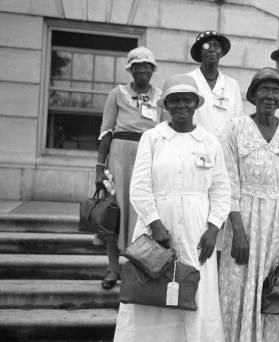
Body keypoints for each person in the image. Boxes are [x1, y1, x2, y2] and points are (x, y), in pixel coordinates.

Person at [113, 74, 231, 341]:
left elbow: (222, 190)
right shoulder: (153, 138)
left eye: (186, 100)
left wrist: (213, 228)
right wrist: (155, 224)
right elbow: (140, 186)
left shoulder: (209, 142)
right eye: (174, 101)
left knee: (193, 288)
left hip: (197, 228)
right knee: (151, 288)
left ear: (196, 104)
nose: (181, 106)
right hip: (156, 225)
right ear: (166, 105)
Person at [219, 67, 279, 342]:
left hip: (278, 222)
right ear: (253, 94)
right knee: (239, 285)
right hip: (244, 219)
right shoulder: (236, 127)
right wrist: (238, 231)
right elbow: (229, 182)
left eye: (275, 91)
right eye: (264, 90)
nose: (269, 96)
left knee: (273, 287)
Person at [95, 47, 165, 290]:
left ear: (152, 70)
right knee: (115, 215)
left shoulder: (161, 97)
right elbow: (106, 132)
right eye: (137, 66)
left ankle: (137, 270)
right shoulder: (117, 93)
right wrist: (99, 169)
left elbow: (166, 132)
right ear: (131, 69)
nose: (142, 70)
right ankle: (113, 269)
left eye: (147, 66)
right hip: (119, 159)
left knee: (144, 215)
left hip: (148, 158)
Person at [186, 30, 244, 144]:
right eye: (206, 46)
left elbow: (238, 122)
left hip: (225, 151)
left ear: (221, 52)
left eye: (215, 45)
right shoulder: (188, 81)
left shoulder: (232, 85)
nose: (211, 49)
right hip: (195, 147)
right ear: (199, 52)